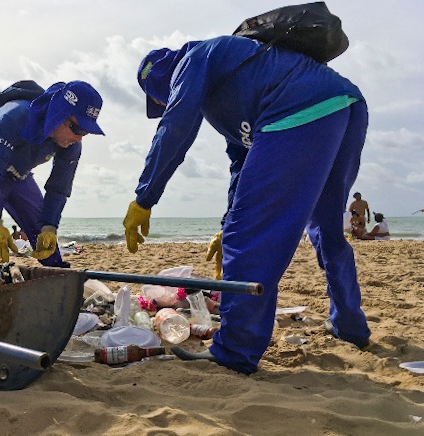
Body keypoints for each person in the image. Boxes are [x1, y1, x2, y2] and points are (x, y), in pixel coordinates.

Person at [122, 36, 371, 374]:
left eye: (159, 99)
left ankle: (236, 350)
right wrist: (227, 226)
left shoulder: (193, 59)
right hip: (345, 104)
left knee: (249, 239)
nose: (163, 104)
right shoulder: (233, 84)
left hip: (297, 107)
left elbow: (176, 126)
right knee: (326, 226)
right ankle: (350, 325)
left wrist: (144, 198)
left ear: (160, 82)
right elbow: (242, 162)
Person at [0, 80, 105, 266]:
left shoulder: (72, 144)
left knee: (40, 229)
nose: (79, 138)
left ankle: (57, 275)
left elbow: (59, 188)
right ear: (59, 114)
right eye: (78, 128)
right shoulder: (13, 117)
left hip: (17, 172)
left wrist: (51, 225)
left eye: (86, 132)